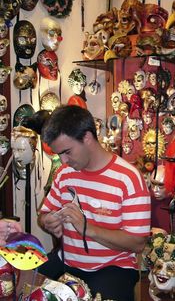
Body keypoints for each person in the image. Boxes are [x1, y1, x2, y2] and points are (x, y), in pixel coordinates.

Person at [37, 105, 151, 301]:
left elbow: (137, 243)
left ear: (87, 138)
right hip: (67, 261)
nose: (63, 161)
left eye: (67, 152)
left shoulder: (128, 179)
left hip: (112, 267)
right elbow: (43, 215)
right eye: (59, 155)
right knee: (26, 284)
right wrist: (47, 221)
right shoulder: (64, 174)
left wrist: (88, 228)